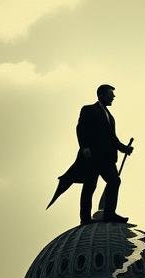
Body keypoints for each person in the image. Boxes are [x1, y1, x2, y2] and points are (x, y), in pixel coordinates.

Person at [47, 84, 134, 225]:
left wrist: (124, 148)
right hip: (92, 157)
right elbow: (81, 129)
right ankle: (85, 218)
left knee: (114, 181)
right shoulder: (89, 109)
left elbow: (113, 139)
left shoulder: (110, 117)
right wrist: (85, 147)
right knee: (90, 185)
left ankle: (109, 214)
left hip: (107, 159)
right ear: (101, 95)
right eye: (111, 94)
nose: (113, 97)